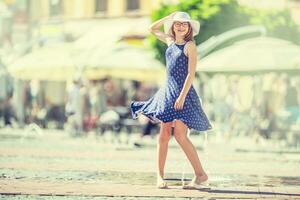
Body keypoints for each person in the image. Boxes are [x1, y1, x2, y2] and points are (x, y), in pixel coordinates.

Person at [130, 11, 213, 189]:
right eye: (177, 23)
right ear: (173, 26)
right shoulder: (170, 41)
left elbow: (191, 73)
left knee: (181, 135)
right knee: (164, 135)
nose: (181, 26)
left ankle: (201, 175)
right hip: (167, 92)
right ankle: (160, 177)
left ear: (189, 27)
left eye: (184, 23)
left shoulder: (190, 45)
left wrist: (182, 96)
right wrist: (169, 17)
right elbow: (152, 28)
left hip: (184, 93)